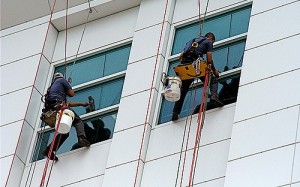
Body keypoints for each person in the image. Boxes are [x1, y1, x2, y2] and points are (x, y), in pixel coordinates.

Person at [172, 32, 223, 121]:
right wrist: (214, 71)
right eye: (213, 42)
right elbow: (209, 59)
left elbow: (180, 56)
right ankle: (214, 96)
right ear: (211, 39)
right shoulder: (208, 42)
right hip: (196, 65)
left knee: (183, 90)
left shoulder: (190, 42)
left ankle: (175, 112)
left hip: (186, 66)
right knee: (213, 80)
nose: (212, 44)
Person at [42, 72, 91, 161]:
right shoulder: (62, 80)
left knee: (65, 131)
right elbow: (71, 94)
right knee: (77, 121)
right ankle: (81, 138)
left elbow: (67, 104)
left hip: (54, 109)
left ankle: (49, 149)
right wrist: (68, 85)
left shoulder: (51, 88)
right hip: (59, 107)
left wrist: (81, 104)